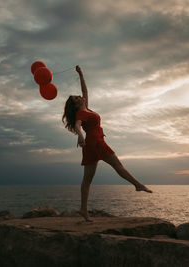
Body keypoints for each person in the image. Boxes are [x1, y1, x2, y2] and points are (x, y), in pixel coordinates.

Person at [62, 65, 152, 222]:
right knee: (116, 167)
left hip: (95, 142)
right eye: (76, 99)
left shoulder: (86, 107)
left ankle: (84, 210)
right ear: (76, 105)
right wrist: (80, 135)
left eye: (77, 96)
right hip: (95, 143)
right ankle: (138, 185)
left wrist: (81, 75)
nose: (79, 97)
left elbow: (85, 91)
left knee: (88, 179)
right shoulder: (81, 112)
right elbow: (77, 124)